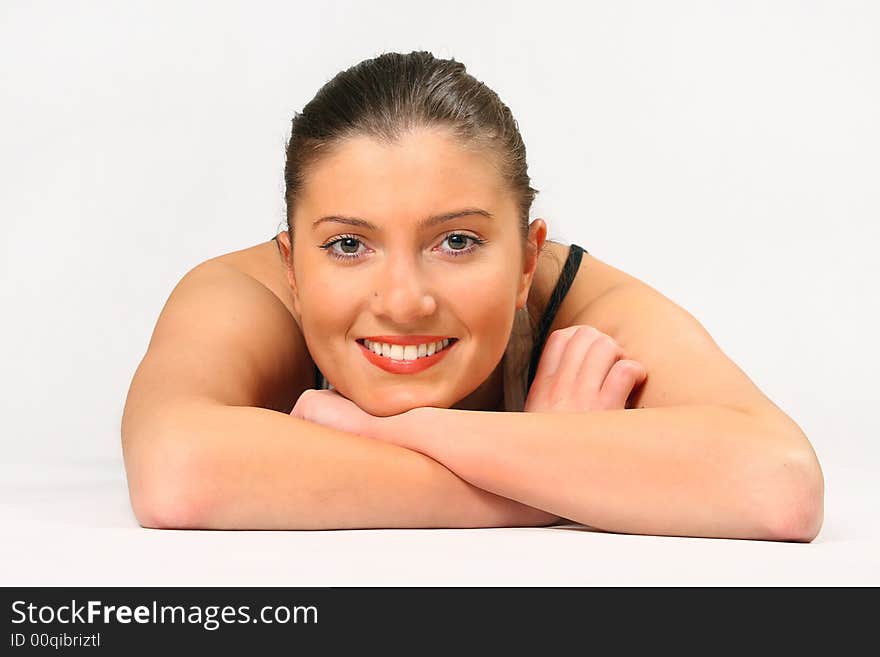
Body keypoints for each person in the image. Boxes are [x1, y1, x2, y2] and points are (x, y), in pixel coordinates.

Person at [121, 51, 823, 540]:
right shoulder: (243, 294)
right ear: (293, 270)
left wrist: (392, 431)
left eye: (455, 241)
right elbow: (175, 470)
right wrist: (541, 487)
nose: (403, 301)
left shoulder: (583, 309)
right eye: (347, 245)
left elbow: (781, 485)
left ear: (525, 259)